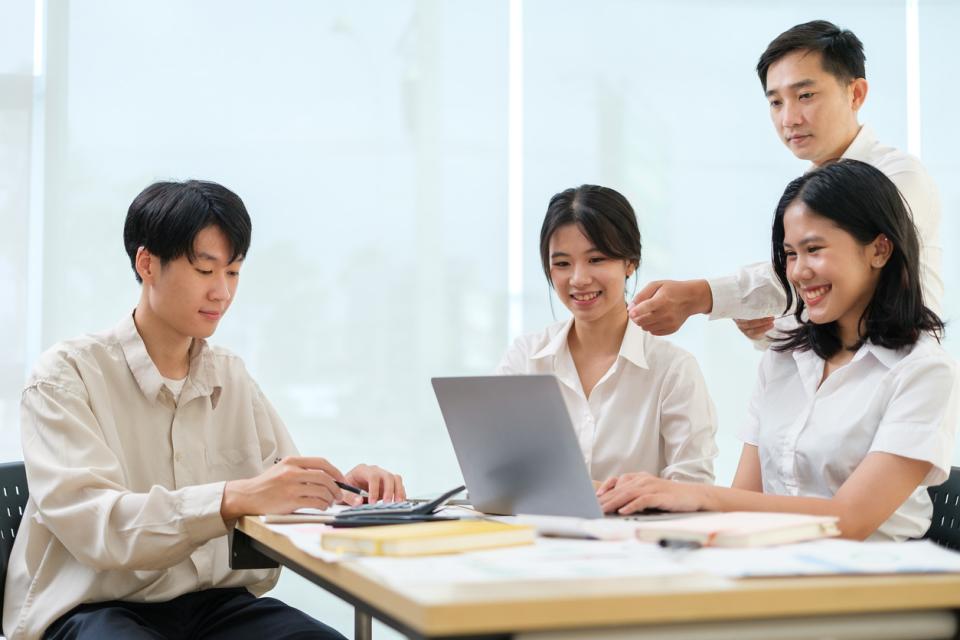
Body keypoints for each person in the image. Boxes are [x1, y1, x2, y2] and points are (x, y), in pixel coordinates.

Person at [2, 180, 406, 639]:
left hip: (213, 606)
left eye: (233, 272)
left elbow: (281, 491)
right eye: (204, 270)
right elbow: (100, 526)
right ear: (147, 263)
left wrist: (345, 491)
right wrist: (229, 499)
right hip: (93, 608)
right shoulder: (65, 376)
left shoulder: (230, 375)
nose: (222, 293)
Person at [598, 160, 958, 541]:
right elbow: (746, 499)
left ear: (880, 250)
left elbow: (850, 521)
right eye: (790, 254)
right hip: (772, 571)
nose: (799, 272)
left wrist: (698, 495)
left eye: (814, 249)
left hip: (872, 585)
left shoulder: (924, 371)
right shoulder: (785, 355)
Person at [628, 20, 942, 340]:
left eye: (805, 95)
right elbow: (810, 311)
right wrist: (765, 326)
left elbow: (836, 266)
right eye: (776, 102)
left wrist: (703, 295)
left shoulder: (898, 176)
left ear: (856, 93)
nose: (789, 119)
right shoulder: (804, 196)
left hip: (901, 376)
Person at [496, 185, 717, 484]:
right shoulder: (525, 358)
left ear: (630, 262)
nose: (579, 279)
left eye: (596, 259)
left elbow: (692, 486)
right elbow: (497, 469)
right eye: (562, 264)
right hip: (533, 530)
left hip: (636, 530)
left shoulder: (673, 370)